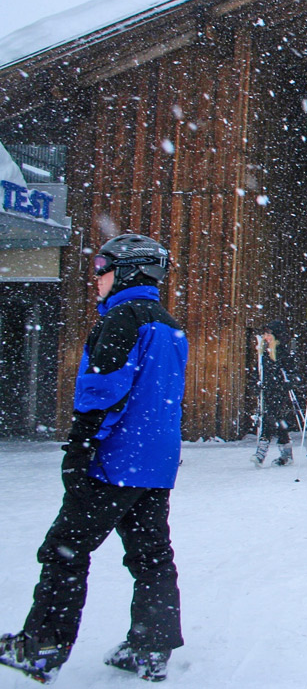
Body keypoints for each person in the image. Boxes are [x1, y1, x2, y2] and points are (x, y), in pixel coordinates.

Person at [0, 234, 187, 683]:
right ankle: (150, 646)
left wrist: (80, 446)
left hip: (113, 462)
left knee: (65, 550)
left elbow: (102, 391)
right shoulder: (168, 325)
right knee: (151, 556)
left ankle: (42, 646)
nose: (96, 278)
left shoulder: (123, 320)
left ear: (126, 272)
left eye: (101, 268)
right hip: (154, 465)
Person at [252, 319, 301, 467]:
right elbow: (259, 372)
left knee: (270, 418)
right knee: (279, 421)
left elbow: (292, 371)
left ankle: (261, 453)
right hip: (268, 391)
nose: (265, 337)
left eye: (268, 334)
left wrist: (289, 381)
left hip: (279, 391)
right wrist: (256, 384)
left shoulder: (283, 352)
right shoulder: (264, 353)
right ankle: (286, 454)